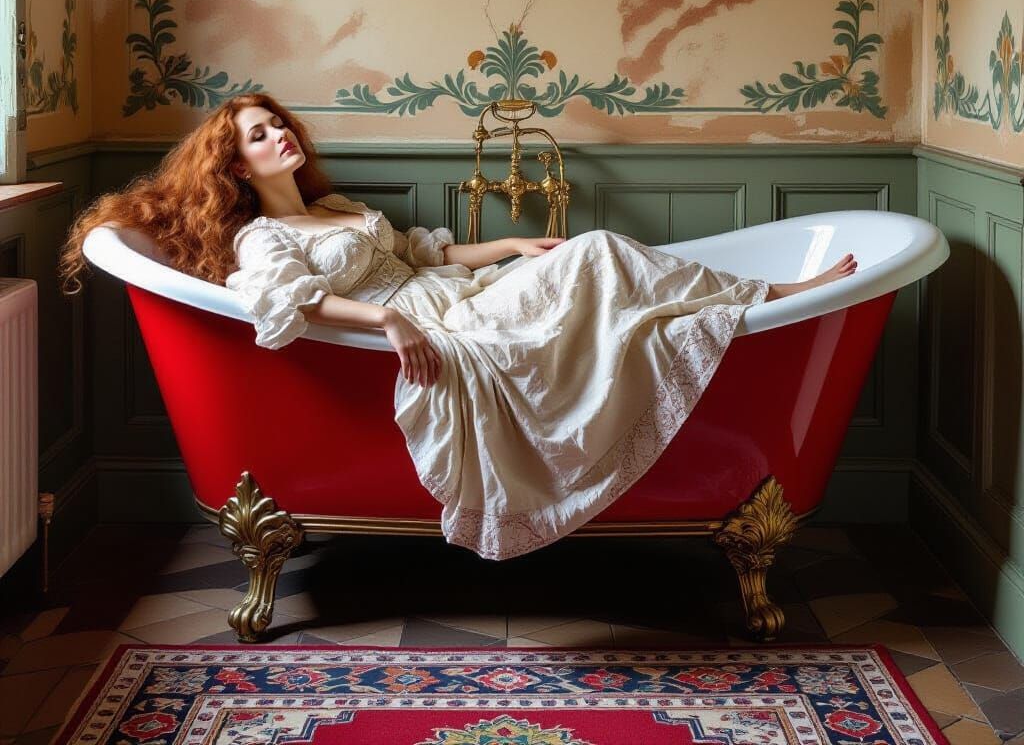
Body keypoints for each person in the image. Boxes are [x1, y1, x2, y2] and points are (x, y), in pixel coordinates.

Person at [61, 93, 857, 561]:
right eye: (258, 135)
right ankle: (771, 295)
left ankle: (756, 301)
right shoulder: (263, 239)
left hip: (450, 294)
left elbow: (417, 250)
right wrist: (384, 320)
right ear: (236, 167)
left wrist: (508, 244)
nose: (281, 136)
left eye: (280, 123)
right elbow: (287, 308)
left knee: (609, 279)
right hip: (427, 323)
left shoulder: (333, 208)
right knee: (606, 256)